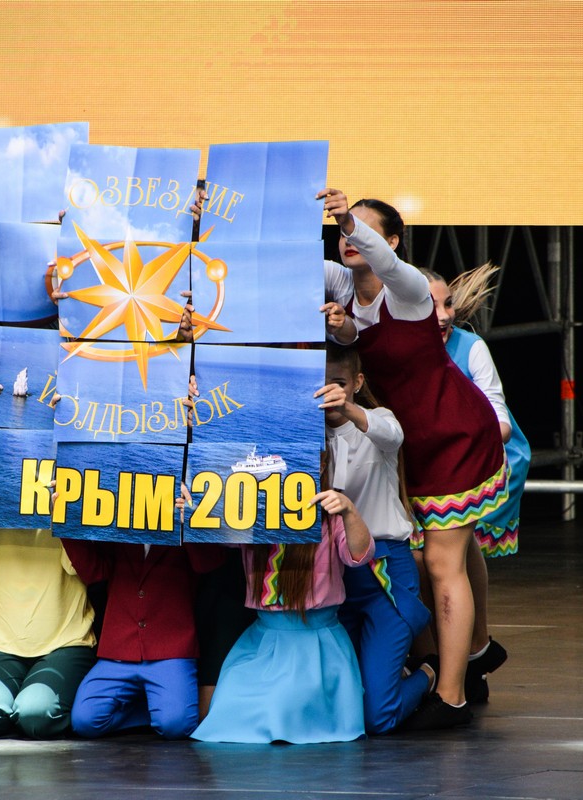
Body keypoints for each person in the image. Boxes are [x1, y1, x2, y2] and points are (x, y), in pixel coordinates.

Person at [319, 190, 509, 729]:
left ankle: (451, 695)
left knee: (442, 563)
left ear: (391, 241)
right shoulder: (342, 286)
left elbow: (380, 259)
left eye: (363, 231)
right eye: (343, 233)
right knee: (450, 550)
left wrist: (347, 219)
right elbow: (281, 266)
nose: (349, 240)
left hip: (452, 433)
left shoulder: (406, 287)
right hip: (405, 445)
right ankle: (478, 648)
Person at [191, 453, 376, 744]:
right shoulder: (250, 508)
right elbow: (216, 532)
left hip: (315, 647)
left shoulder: (331, 514)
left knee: (277, 710)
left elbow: (360, 555)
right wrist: (192, 507)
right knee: (227, 710)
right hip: (262, 642)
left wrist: (349, 512)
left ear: (322, 464)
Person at [421, 264, 530, 701]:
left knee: (446, 548)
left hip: (479, 461)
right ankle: (463, 658)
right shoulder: (395, 347)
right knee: (436, 554)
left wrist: (446, 435)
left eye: (447, 304)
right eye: (430, 305)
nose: (444, 315)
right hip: (421, 467)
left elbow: (500, 424)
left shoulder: (470, 348)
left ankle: (468, 654)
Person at [319, 343, 434, 733]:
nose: (329, 391)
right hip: (332, 578)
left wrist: (348, 408)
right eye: (321, 383)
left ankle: (429, 673)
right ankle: (393, 672)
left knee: (377, 717)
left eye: (338, 383)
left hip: (386, 571)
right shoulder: (303, 433)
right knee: (343, 709)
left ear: (357, 382)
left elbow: (393, 434)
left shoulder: (377, 419)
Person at [0, 526, 97, 738]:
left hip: (65, 642)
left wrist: (63, 516)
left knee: (36, 716)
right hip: (2, 644)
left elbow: (79, 567)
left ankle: (22, 707)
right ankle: (17, 707)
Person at [61, 535, 224, 740]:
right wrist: (65, 526)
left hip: (170, 648)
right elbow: (94, 571)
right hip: (119, 649)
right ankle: (155, 705)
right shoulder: (119, 524)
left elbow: (208, 563)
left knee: (176, 726)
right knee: (85, 721)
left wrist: (187, 526)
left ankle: (161, 706)